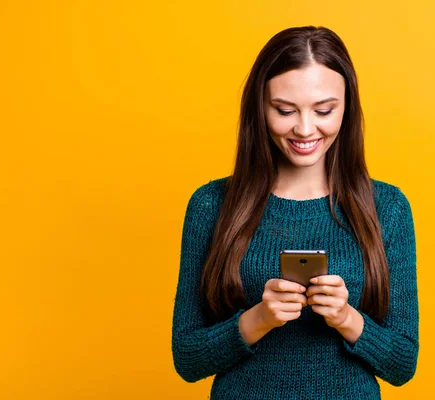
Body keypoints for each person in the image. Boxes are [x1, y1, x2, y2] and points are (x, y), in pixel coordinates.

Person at [171, 25, 419, 400]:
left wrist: (347, 319)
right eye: (285, 110)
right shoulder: (212, 205)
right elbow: (187, 358)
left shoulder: (388, 208)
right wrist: (258, 319)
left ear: (347, 108)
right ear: (260, 107)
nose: (305, 129)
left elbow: (403, 363)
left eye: (324, 110)